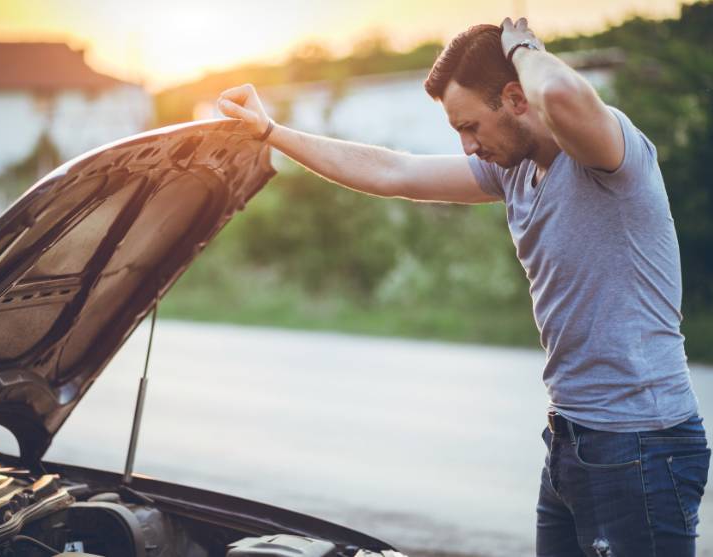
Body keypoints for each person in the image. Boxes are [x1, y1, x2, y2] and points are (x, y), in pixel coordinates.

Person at [217, 17, 709, 557]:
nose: (469, 146)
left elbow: (564, 92)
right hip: (573, 440)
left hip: (640, 447)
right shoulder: (513, 172)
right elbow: (393, 172)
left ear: (517, 98)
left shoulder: (605, 156)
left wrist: (522, 46)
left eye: (471, 126)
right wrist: (271, 132)